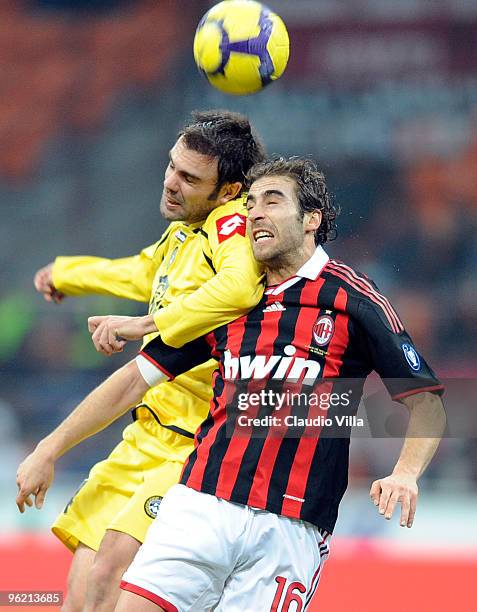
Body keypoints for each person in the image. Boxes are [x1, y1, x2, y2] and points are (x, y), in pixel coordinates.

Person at [112, 157, 444, 611]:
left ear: (311, 220)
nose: (255, 214)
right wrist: (50, 449)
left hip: (292, 528)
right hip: (201, 504)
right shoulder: (232, 297)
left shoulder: (354, 298)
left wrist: (405, 474)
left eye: (273, 200)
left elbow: (426, 401)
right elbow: (138, 377)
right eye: (250, 204)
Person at [17, 110, 266, 612]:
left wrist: (146, 325)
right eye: (172, 167)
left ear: (228, 191)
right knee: (80, 597)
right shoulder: (183, 234)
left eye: (190, 178)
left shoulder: (231, 227)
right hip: (145, 438)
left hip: (196, 446)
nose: (171, 183)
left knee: (112, 567)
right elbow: (141, 274)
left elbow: (240, 287)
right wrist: (70, 273)